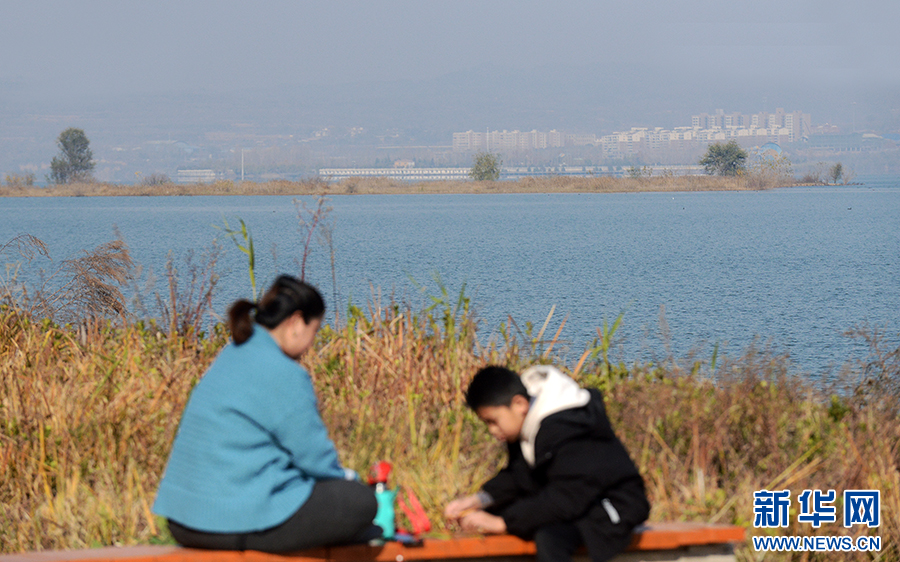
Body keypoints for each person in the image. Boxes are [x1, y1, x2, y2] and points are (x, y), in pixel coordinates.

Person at [153, 275, 377, 552]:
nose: (311, 345)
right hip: (232, 522)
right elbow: (314, 459)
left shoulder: (231, 354)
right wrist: (350, 478)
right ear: (296, 323)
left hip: (183, 521)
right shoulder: (284, 372)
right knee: (360, 501)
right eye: (315, 331)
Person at [445, 365, 650, 562]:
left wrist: (503, 523)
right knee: (494, 517)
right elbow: (519, 476)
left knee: (550, 538)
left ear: (519, 405)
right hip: (574, 499)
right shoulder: (526, 424)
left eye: (493, 421)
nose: (491, 430)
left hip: (613, 503)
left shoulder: (569, 427)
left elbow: (567, 497)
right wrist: (479, 500)